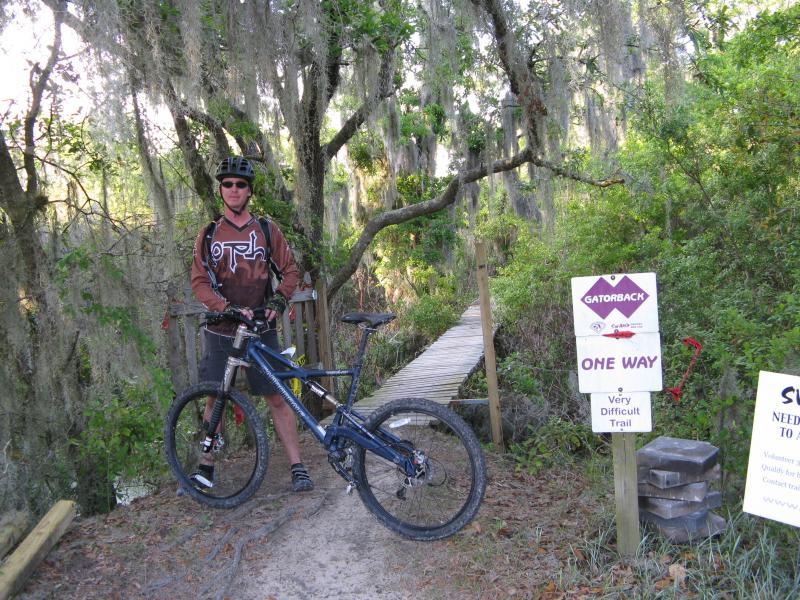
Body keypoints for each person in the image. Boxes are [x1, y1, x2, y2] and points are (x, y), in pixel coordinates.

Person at [189, 156, 313, 492]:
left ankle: (297, 466)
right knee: (215, 397)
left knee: (276, 395)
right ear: (220, 189)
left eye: (240, 184)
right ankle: (206, 465)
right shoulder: (209, 233)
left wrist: (277, 301)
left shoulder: (266, 229)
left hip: (260, 329)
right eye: (227, 184)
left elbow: (289, 271)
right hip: (221, 331)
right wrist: (224, 306)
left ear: (249, 191)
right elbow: (199, 281)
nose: (233, 189)